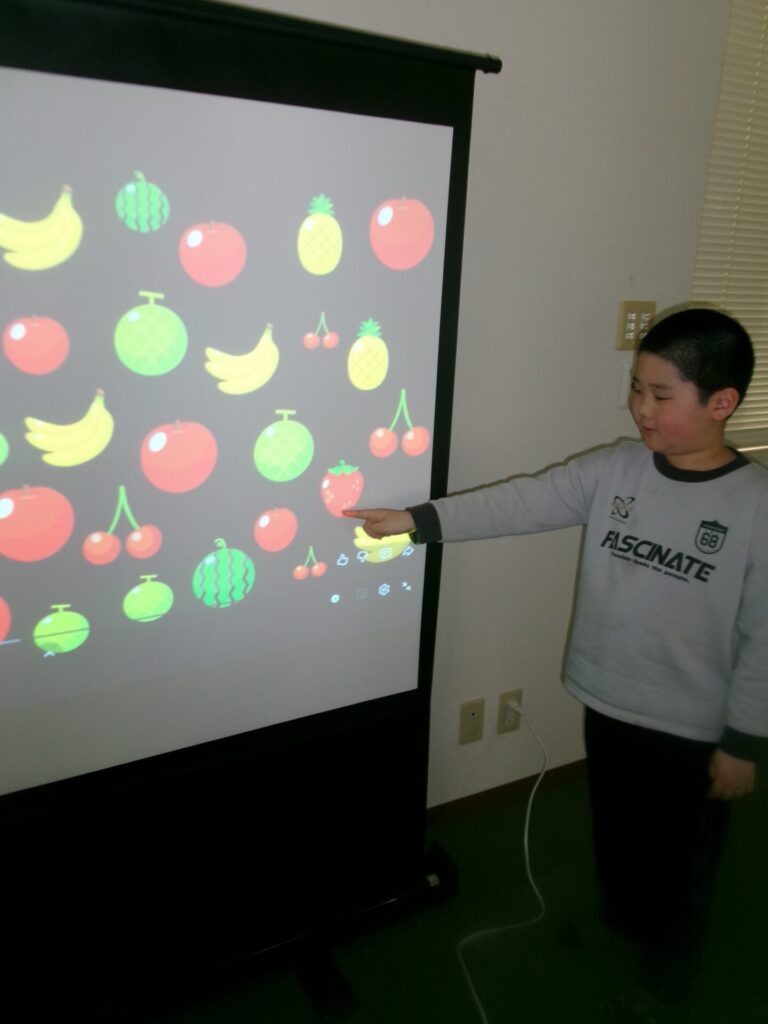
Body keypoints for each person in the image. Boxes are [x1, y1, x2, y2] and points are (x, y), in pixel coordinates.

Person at [344, 307, 768, 1020]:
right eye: (636, 389)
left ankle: (670, 972)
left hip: (694, 729)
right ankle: (621, 923)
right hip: (609, 700)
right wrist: (418, 522)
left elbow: (763, 636)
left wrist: (744, 741)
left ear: (720, 402)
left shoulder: (755, 507)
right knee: (616, 833)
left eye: (661, 395)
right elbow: (524, 501)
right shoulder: (615, 469)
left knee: (683, 860)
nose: (641, 408)